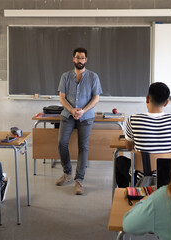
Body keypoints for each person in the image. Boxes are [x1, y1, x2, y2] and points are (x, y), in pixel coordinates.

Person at [116, 82, 171, 187]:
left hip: (142, 177)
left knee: (119, 161)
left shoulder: (133, 119)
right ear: (166, 103)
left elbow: (128, 147)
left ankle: (127, 194)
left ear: (147, 99)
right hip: (168, 177)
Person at [56, 47, 102, 195]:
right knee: (61, 143)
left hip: (86, 116)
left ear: (86, 60)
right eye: (77, 57)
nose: (80, 60)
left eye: (82, 58)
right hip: (68, 114)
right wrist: (71, 110)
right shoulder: (65, 76)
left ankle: (79, 180)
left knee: (83, 146)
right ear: (73, 59)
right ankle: (67, 174)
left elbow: (96, 98)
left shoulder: (93, 77)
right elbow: (62, 97)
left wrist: (83, 110)